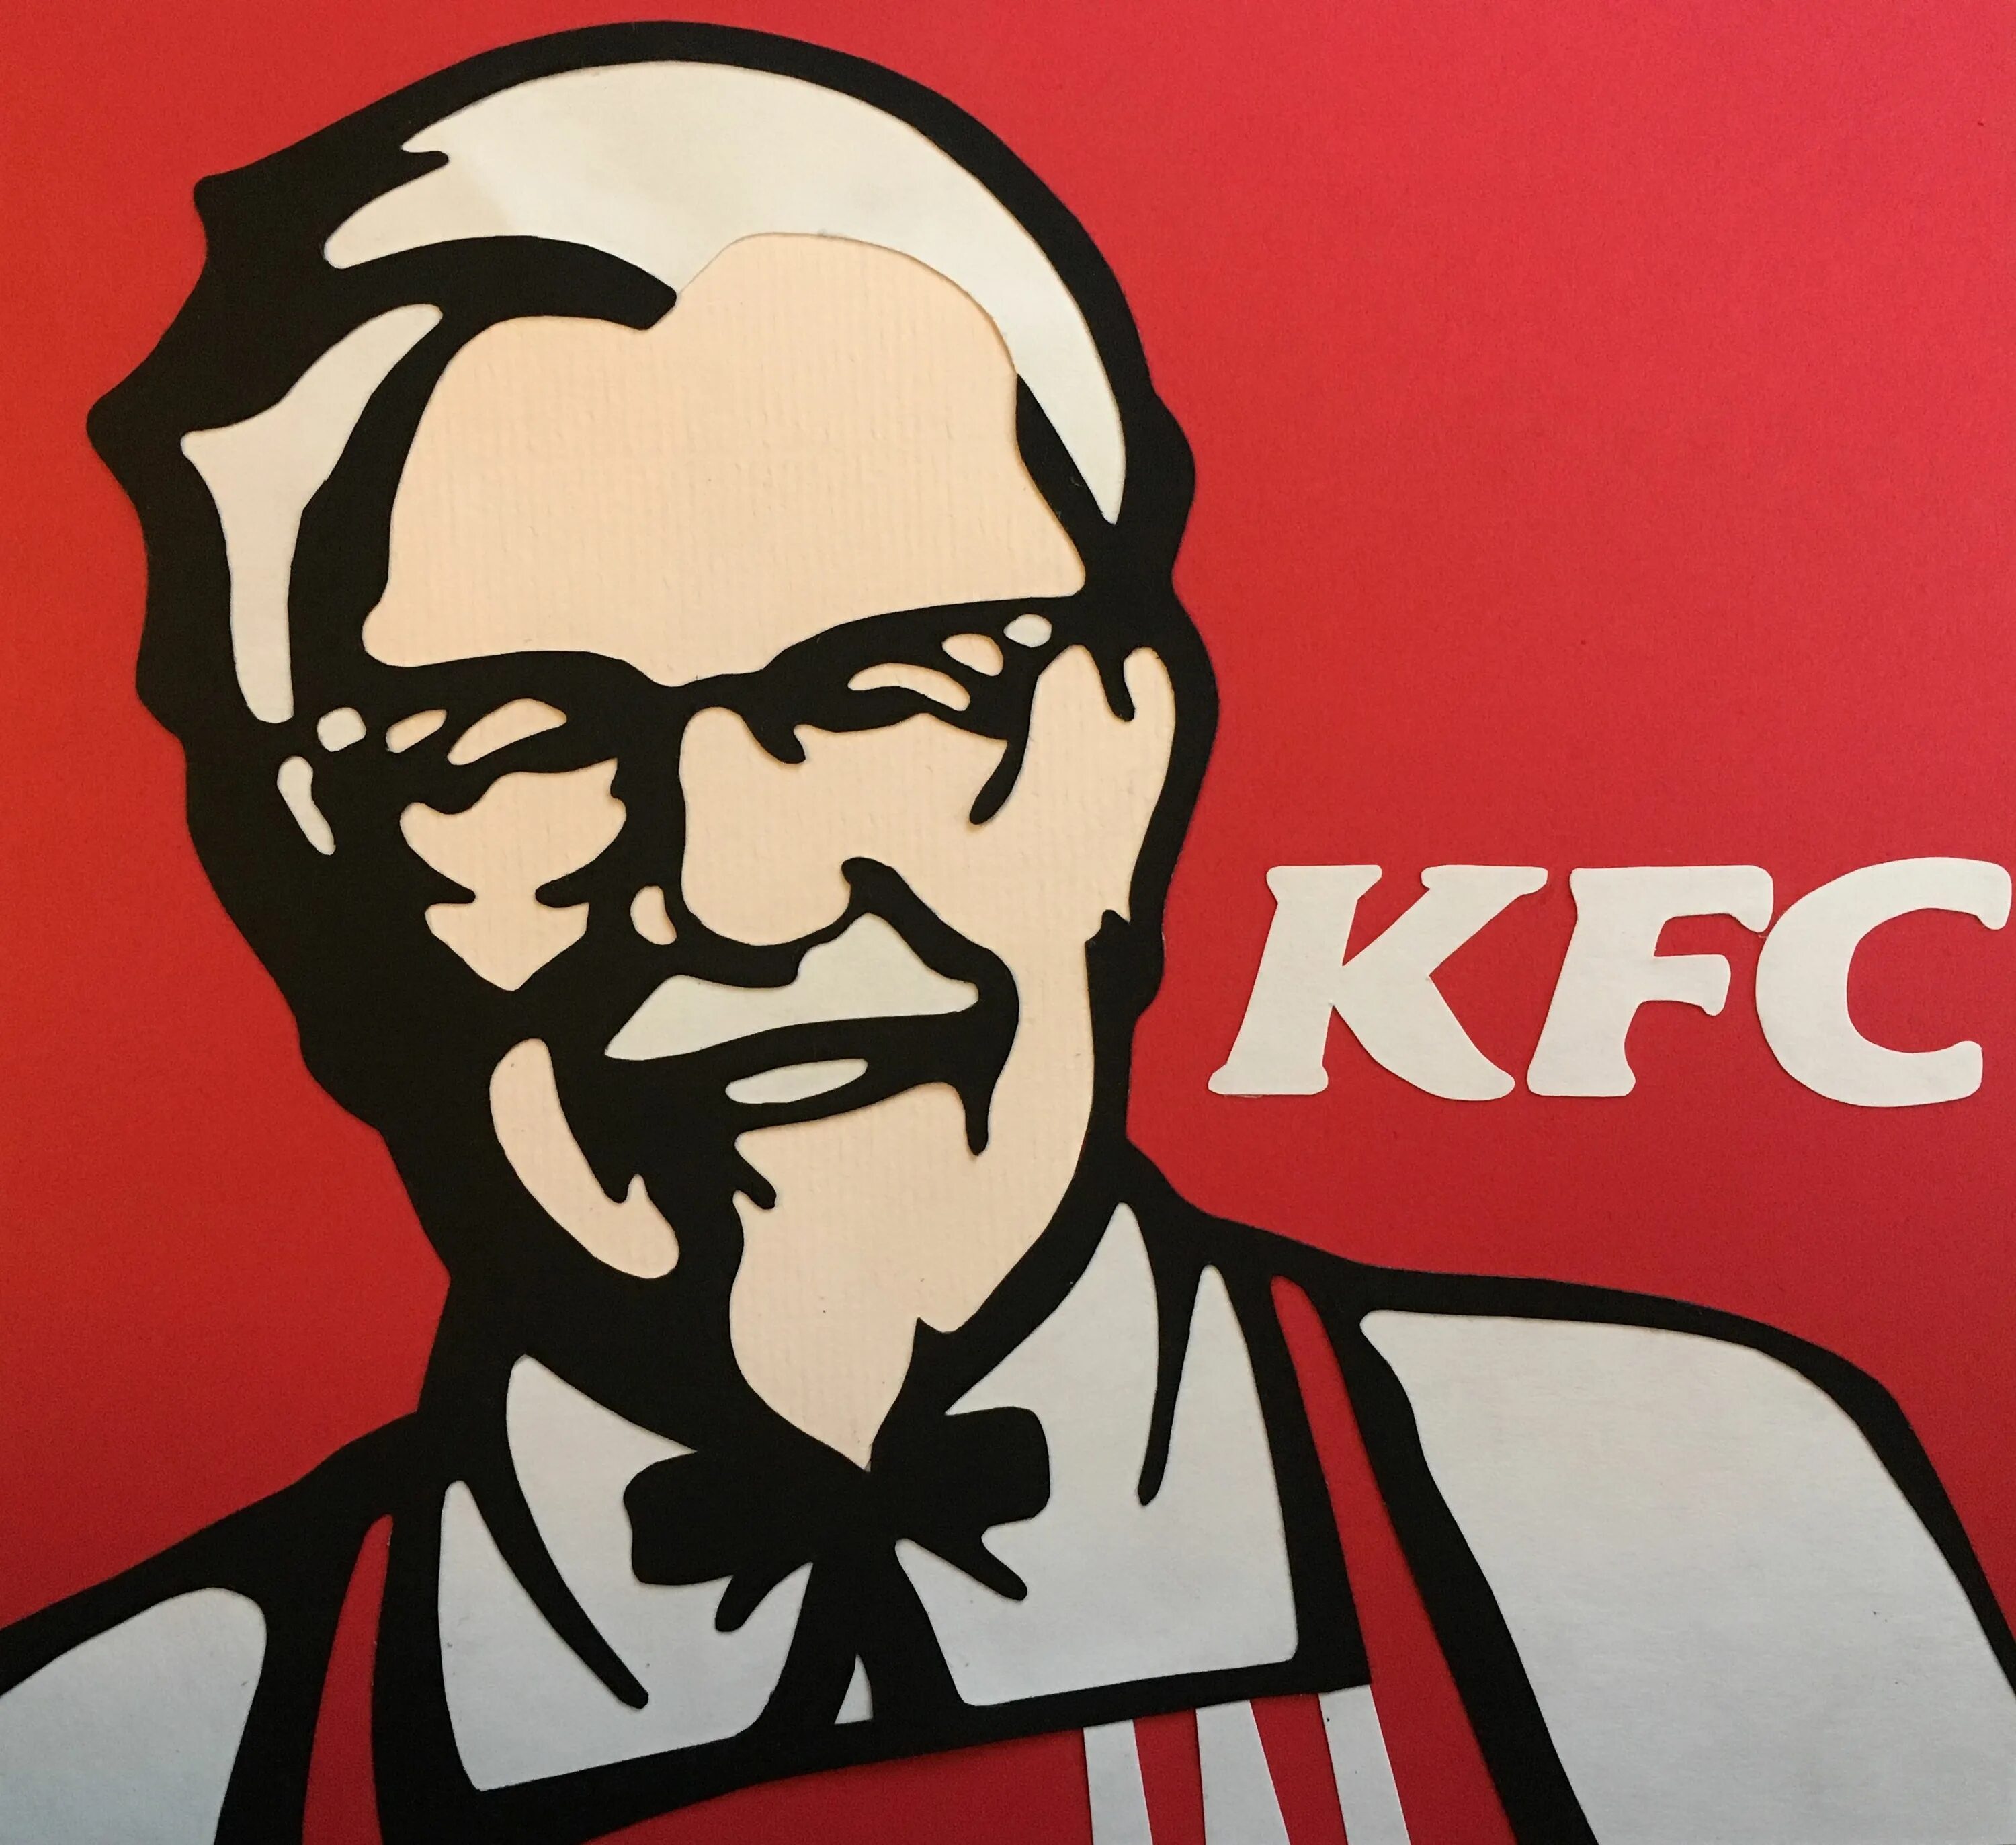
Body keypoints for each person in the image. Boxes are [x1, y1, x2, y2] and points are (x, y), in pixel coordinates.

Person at [3, 25, 2012, 1845]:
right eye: (522, 740)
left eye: (893, 690)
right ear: (309, 865)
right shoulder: (137, 1750)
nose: (746, 892)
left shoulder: (1666, 1512)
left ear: (1129, 755)